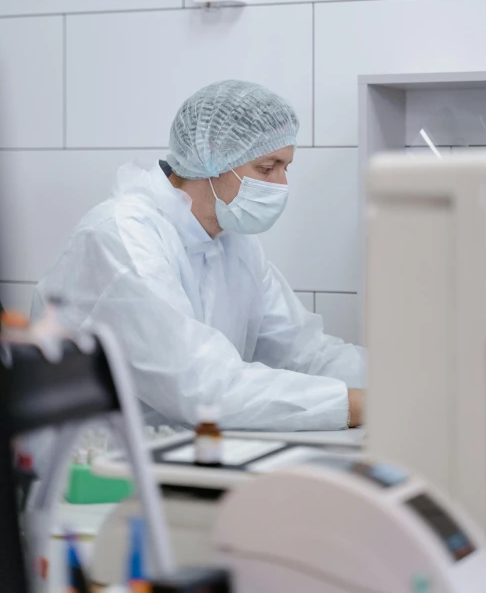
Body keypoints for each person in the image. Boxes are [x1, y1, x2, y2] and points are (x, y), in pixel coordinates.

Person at [32, 80, 365, 431]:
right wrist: (356, 405)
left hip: (177, 449)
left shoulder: (234, 242)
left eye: (286, 168)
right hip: (94, 465)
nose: (280, 185)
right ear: (211, 155)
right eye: (268, 168)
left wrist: (400, 385)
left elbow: (305, 351)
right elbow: (203, 386)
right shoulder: (123, 236)